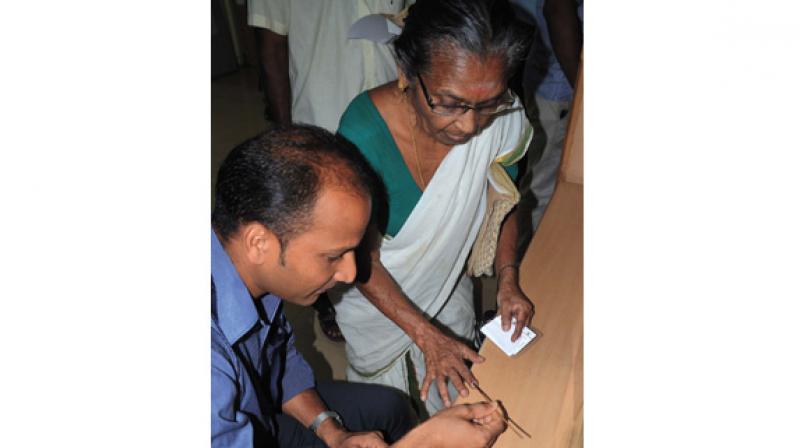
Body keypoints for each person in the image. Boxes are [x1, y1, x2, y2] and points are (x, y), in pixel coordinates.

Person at [211, 125, 509, 447]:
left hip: (260, 408)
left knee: (390, 408)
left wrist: (333, 432)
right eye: (334, 256)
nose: (351, 273)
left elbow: (279, 367)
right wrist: (425, 442)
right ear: (258, 242)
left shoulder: (256, 273)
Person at [329, 0, 536, 416]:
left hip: (446, 288)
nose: (470, 126)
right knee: (391, 414)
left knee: (459, 401)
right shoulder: (364, 131)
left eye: (488, 103)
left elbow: (504, 202)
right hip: (375, 303)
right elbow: (357, 256)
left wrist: (508, 279)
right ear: (407, 74)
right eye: (449, 103)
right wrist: (426, 336)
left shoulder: (504, 120)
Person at [248, 0, 414, 341]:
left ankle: (388, 291)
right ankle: (327, 301)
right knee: (324, 223)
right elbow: (271, 44)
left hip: (391, 107)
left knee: (383, 208)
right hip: (324, 112)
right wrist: (285, 133)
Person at [513, 0, 583, 246]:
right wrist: (583, 91)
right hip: (559, 90)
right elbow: (557, 10)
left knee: (547, 186)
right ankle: (526, 266)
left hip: (560, 86)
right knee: (540, 189)